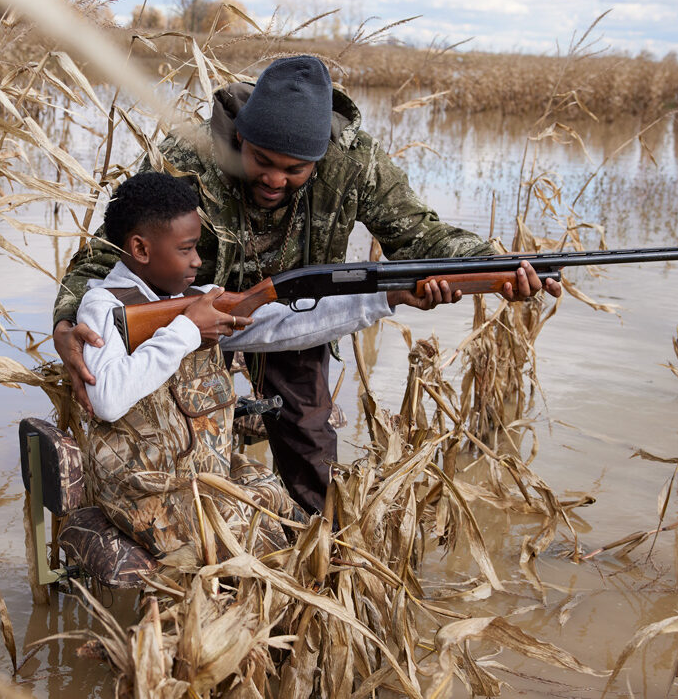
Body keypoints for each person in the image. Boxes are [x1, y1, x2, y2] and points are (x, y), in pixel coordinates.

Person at [55, 56, 562, 514]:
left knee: (310, 448)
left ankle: (315, 562)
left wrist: (494, 271)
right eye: (262, 161)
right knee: (185, 448)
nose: (275, 180)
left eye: (294, 170)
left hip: (297, 314)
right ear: (239, 140)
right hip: (188, 316)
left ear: (320, 159)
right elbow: (114, 248)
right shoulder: (189, 155)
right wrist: (67, 321)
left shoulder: (356, 162)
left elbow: (420, 238)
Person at [77, 172, 454, 569]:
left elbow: (284, 323)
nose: (198, 260)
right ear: (140, 248)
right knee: (270, 550)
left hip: (202, 478)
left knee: (297, 520)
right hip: (142, 492)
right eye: (186, 249)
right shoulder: (104, 307)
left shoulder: (196, 300)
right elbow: (107, 398)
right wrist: (188, 330)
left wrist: (388, 297)